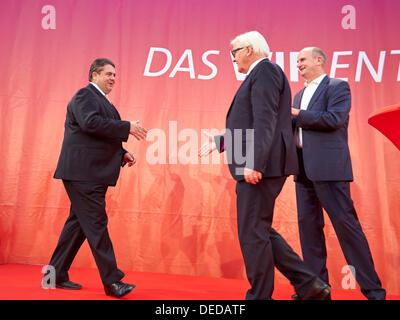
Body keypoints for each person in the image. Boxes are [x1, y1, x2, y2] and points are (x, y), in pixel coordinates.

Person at [199, 31, 330, 300]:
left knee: (253, 233)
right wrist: (222, 141)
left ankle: (261, 295)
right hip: (263, 163)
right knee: (258, 229)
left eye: (233, 53)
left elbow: (265, 120)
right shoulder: (262, 74)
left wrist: (254, 163)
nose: (232, 59)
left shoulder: (266, 71)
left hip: (262, 166)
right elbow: (252, 122)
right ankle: (310, 285)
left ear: (248, 49)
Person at [44, 58, 148, 298]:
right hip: (83, 175)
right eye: (108, 74)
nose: (113, 78)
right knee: (97, 225)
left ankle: (54, 274)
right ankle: (112, 282)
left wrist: (122, 153)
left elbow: (98, 134)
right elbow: (90, 124)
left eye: (115, 75)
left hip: (89, 173)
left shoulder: (103, 101)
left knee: (78, 225)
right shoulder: (85, 95)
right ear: (94, 75)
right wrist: (127, 126)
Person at [291, 47, 386, 300]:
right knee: (308, 230)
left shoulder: (337, 86)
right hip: (302, 171)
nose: (298, 64)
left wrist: (297, 115)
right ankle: (317, 290)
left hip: (329, 170)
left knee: (347, 229)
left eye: (302, 59)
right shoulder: (298, 95)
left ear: (318, 60)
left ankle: (374, 291)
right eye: (297, 60)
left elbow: (334, 119)